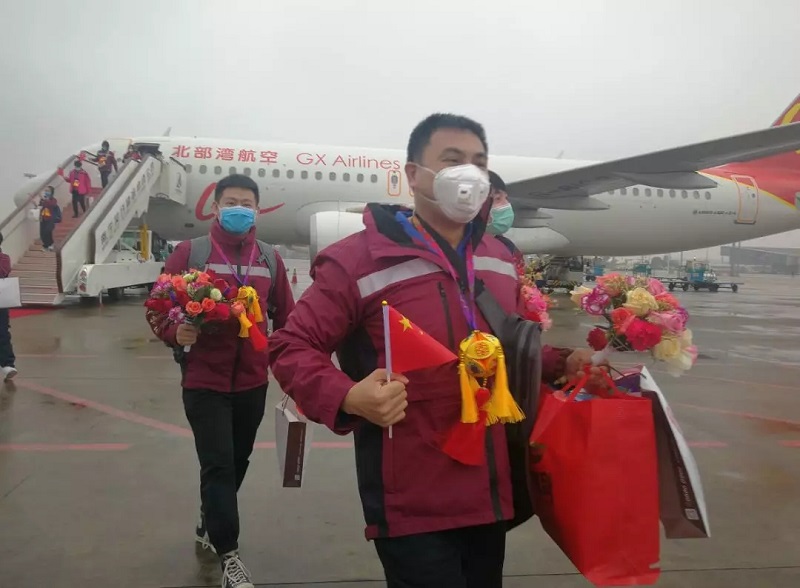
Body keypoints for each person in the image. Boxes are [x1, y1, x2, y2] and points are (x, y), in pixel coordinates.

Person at [267, 113, 608, 588]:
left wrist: (560, 361)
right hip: (412, 501)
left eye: (479, 163)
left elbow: (504, 344)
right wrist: (347, 395)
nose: (469, 173)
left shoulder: (499, 258)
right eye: (451, 161)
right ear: (413, 175)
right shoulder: (357, 260)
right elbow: (291, 345)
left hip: (492, 492)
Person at [145, 173, 295, 588]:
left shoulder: (270, 258)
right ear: (215, 207)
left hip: (252, 382)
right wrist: (175, 332)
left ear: (258, 210)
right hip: (203, 381)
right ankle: (229, 555)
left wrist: (288, 365)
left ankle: (209, 517)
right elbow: (157, 307)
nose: (238, 210)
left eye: (246, 203)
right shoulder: (190, 254)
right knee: (219, 464)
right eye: (231, 202)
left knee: (237, 460)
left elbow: (287, 316)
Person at [0, 233, 17, 382]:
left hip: (0, 304)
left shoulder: (4, 258)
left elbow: (3, 271)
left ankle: (7, 364)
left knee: (2, 333)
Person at [38, 186, 61, 251]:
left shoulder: (53, 200)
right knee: (42, 233)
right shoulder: (43, 199)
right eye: (45, 191)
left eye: (48, 191)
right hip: (43, 218)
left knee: (48, 232)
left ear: (51, 192)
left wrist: (44, 199)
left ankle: (50, 244)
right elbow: (40, 206)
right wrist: (34, 203)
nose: (46, 192)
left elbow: (51, 205)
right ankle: (46, 246)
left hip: (50, 219)